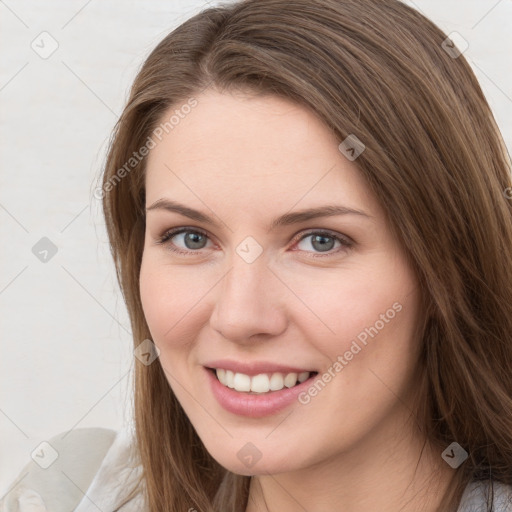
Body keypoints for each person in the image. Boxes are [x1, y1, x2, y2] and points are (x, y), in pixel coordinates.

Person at [3, 0, 512, 510]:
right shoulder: (72, 492)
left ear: (449, 263)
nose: (239, 317)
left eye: (320, 241)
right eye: (190, 238)